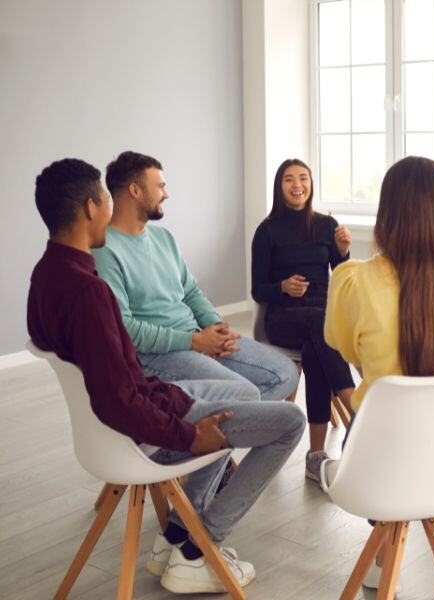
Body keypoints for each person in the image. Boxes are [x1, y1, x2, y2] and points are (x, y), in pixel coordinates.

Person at [27, 159, 306, 593]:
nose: (107, 206)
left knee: (247, 396)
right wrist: (190, 435)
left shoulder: (46, 276)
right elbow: (118, 399)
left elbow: (121, 382)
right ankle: (198, 546)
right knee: (290, 423)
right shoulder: (90, 291)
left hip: (141, 410)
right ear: (89, 208)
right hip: (139, 433)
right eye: (103, 198)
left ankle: (175, 535)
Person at [325, 155, 434, 590]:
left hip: (379, 465)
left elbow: (345, 349)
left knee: (374, 409)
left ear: (388, 213)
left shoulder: (353, 280)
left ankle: (384, 551)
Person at [92, 151, 298, 402]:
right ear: (135, 190)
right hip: (156, 355)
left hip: (196, 335)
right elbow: (125, 328)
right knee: (245, 394)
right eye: (160, 186)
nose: (166, 194)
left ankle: (213, 428)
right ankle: (206, 430)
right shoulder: (105, 249)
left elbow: (190, 291)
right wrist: (194, 342)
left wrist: (216, 328)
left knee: (285, 373)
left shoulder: (163, 237)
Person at [251, 158, 355, 484]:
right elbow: (257, 290)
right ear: (279, 186)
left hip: (320, 314)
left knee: (315, 350)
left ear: (311, 184)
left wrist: (344, 251)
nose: (298, 185)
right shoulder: (266, 231)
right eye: (289, 179)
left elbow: (340, 274)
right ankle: (357, 410)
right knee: (321, 325)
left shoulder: (326, 224)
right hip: (282, 316)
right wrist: (282, 287)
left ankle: (315, 456)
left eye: (304, 178)